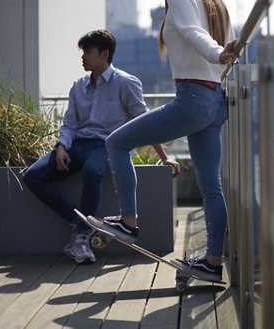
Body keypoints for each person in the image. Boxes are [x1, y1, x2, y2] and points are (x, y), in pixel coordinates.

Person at [87, 0, 238, 282]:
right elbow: (213, 44)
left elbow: (193, 34)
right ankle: (213, 262)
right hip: (215, 101)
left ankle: (128, 221)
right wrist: (220, 55)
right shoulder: (218, 4)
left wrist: (217, 52)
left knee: (117, 143)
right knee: (211, 187)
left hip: (194, 97)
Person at [23, 29, 179, 264]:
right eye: (83, 51)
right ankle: (80, 223)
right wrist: (61, 147)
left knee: (92, 171)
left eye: (88, 51)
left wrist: (164, 157)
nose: (83, 56)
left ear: (104, 54)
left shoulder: (126, 83)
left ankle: (82, 237)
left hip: (107, 147)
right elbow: (70, 123)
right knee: (32, 176)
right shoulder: (78, 86)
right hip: (77, 146)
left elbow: (144, 122)